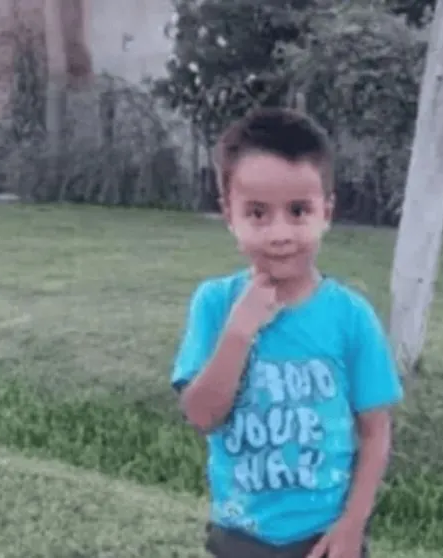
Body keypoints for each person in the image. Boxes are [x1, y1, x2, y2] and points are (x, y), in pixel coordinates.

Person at [171, 107, 404, 558]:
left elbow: (375, 432)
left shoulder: (351, 316)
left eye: (298, 211)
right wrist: (239, 330)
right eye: (257, 213)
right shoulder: (215, 304)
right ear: (229, 215)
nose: (280, 234)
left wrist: (352, 526)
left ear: (326, 212)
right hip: (240, 537)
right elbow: (201, 416)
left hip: (324, 540)